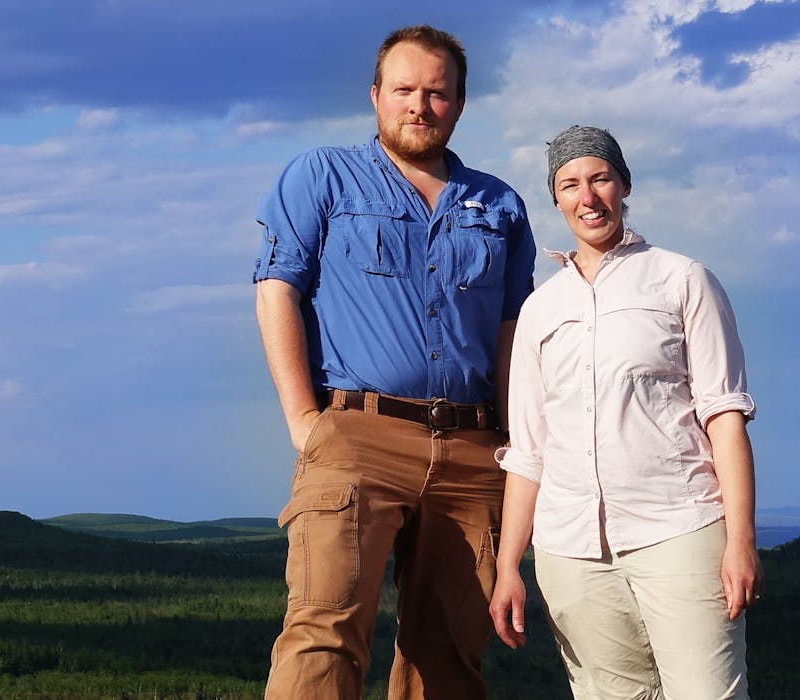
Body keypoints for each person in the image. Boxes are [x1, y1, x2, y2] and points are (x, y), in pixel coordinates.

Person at [253, 25, 536, 700]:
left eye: (437, 93)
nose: (420, 105)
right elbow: (277, 290)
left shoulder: (499, 205)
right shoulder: (321, 176)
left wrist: (515, 437)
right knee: (322, 638)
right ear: (376, 96)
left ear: (460, 104)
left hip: (474, 445)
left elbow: (513, 329)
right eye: (404, 90)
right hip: (357, 435)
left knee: (449, 656)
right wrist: (303, 420)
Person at [488, 125, 762, 700]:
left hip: (679, 532)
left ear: (625, 185)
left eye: (600, 179)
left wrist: (740, 541)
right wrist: (508, 566)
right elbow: (529, 451)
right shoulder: (541, 309)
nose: (587, 197)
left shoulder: (682, 279)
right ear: (557, 199)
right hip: (570, 553)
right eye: (570, 185)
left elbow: (725, 416)